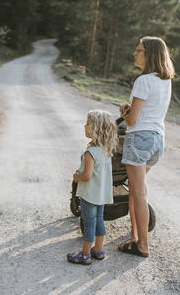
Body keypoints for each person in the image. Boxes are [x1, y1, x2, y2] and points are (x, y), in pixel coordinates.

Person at [118, 36, 174, 257]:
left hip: (139, 139)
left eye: (139, 50)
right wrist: (131, 112)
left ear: (149, 54)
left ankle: (143, 245)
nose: (135, 53)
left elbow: (132, 121)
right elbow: (150, 112)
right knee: (134, 190)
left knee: (139, 193)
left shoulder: (143, 81)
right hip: (157, 141)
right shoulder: (165, 81)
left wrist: (124, 112)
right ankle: (134, 237)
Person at [67, 110, 118, 265]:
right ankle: (99, 250)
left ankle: (85, 254)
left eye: (88, 123)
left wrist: (76, 176)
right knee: (99, 220)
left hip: (90, 195)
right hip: (101, 195)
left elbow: (87, 176)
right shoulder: (106, 150)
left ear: (96, 129)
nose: (84, 125)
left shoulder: (91, 152)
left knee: (89, 223)